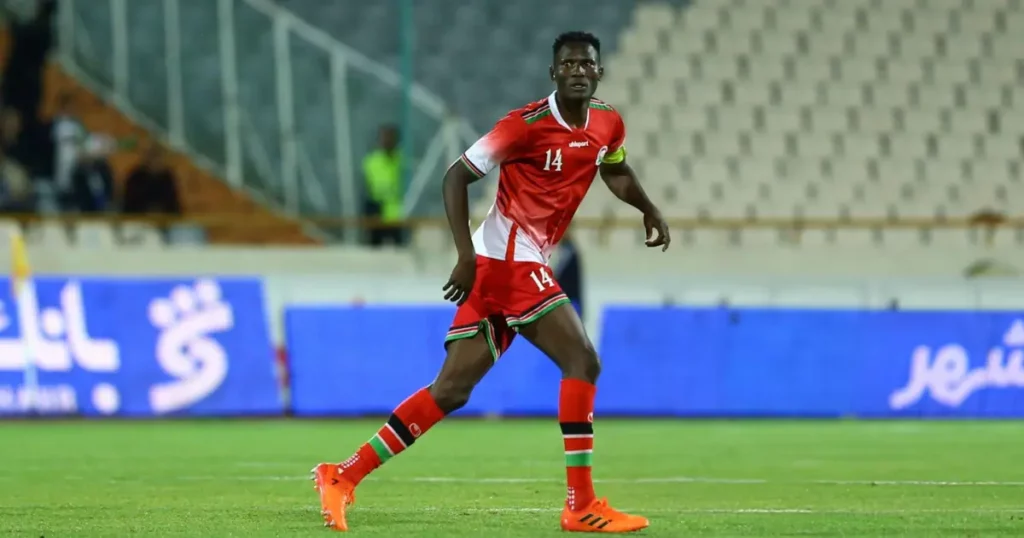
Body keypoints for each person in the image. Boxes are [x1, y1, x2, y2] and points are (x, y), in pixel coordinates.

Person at [311, 31, 670, 533]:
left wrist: (648, 207)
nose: (578, 71)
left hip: (512, 262)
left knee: (451, 390)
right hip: (506, 261)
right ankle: (580, 504)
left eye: (586, 64)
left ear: (599, 72)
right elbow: (456, 176)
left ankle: (342, 475)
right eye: (568, 64)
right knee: (582, 360)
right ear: (553, 73)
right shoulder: (523, 126)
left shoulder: (608, 123)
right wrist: (463, 256)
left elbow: (615, 169)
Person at [362, 124, 407, 247]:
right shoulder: (371, 161)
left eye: (390, 138)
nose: (387, 141)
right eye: (384, 138)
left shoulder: (402, 159)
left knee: (400, 250)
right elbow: (366, 189)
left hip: (397, 214)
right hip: (377, 212)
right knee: (374, 249)